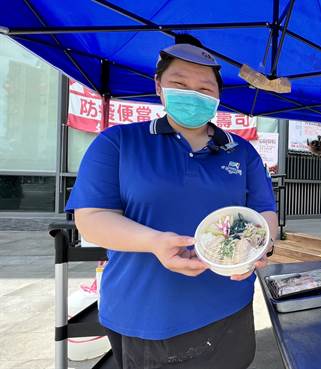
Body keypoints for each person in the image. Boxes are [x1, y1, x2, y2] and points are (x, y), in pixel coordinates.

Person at [66, 34, 278, 369]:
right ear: (159, 86)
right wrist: (154, 242)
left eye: (205, 89)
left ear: (218, 96)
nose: (193, 95)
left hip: (229, 307)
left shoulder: (242, 152)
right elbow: (91, 217)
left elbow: (265, 212)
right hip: (145, 314)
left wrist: (259, 248)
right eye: (179, 83)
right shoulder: (119, 143)